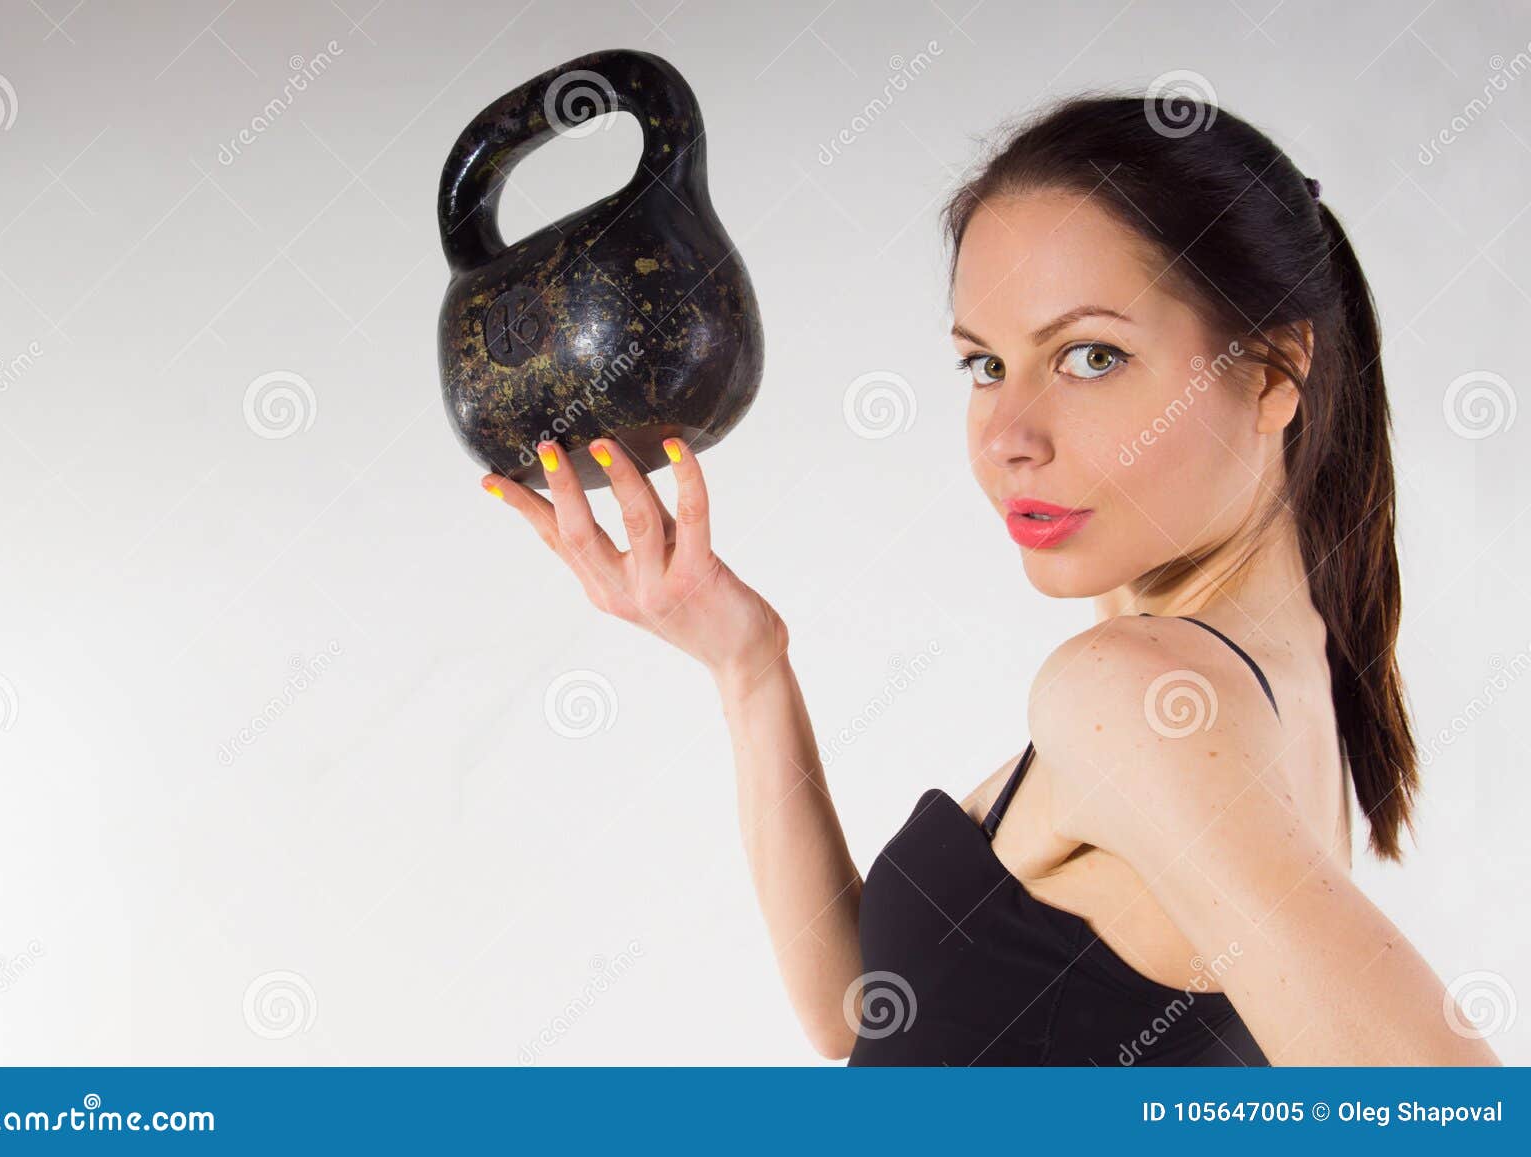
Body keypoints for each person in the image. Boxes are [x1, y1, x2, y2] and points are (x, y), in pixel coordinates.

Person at [478, 94, 1501, 1066]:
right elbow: (862, 1012)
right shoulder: (1248, 676)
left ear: (1273, 372)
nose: (1009, 435)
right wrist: (748, 667)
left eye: (1091, 355)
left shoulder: (1137, 691)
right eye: (983, 364)